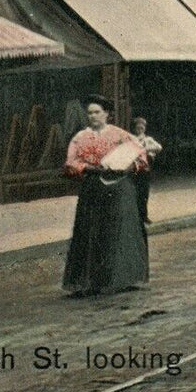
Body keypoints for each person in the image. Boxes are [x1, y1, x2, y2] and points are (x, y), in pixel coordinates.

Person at [62, 95, 149, 297]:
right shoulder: (80, 137)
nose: (93, 116)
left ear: (107, 114)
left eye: (97, 112)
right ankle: (90, 281)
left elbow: (141, 157)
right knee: (91, 231)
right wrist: (89, 168)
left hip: (119, 186)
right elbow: (70, 162)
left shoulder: (121, 135)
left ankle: (122, 278)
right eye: (90, 112)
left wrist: (128, 166)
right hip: (93, 187)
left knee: (118, 230)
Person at [130, 117, 162, 224]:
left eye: (142, 128)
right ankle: (135, 217)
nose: (140, 130)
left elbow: (159, 147)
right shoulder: (131, 139)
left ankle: (144, 216)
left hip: (144, 170)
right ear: (134, 129)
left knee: (144, 194)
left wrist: (146, 149)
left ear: (144, 129)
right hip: (133, 170)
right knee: (134, 194)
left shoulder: (148, 140)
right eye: (138, 128)